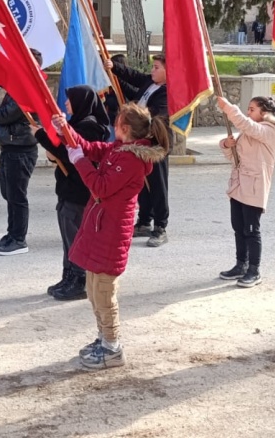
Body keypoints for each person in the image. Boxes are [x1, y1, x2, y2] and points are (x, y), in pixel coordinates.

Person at [59, 103, 169, 370]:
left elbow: (100, 187)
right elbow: (93, 148)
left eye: (116, 122)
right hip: (100, 227)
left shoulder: (131, 158)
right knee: (93, 290)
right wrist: (65, 130)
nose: (111, 126)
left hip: (111, 232)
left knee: (104, 294)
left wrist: (79, 161)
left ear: (125, 128)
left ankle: (112, 347)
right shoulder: (120, 148)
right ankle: (103, 338)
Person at [34, 86, 111, 300]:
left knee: (75, 236)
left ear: (82, 101)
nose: (66, 104)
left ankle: (79, 280)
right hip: (68, 188)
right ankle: (68, 275)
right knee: (68, 236)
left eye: (70, 100)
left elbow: (70, 153)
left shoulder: (90, 126)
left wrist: (41, 135)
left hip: (79, 191)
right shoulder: (78, 123)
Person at [215, 95, 275, 288]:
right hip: (239, 186)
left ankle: (254, 270)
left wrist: (229, 108)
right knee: (238, 227)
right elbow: (237, 158)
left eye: (252, 109)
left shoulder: (268, 131)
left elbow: (247, 125)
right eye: (248, 109)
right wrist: (226, 145)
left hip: (254, 188)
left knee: (251, 230)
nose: (248, 113)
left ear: (264, 113)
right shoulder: (250, 131)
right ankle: (240, 264)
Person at [0, 49, 43, 257]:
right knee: (9, 193)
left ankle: (19, 239)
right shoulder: (18, 85)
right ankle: (11, 233)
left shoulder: (29, 88)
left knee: (17, 195)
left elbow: (6, 115)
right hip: (10, 147)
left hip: (21, 149)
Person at [107, 54, 171, 247]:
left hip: (155, 144)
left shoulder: (168, 93)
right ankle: (144, 221)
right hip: (139, 142)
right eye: (153, 66)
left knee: (158, 185)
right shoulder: (150, 83)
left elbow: (153, 115)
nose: (153, 70)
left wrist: (131, 114)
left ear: (169, 72)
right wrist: (114, 69)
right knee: (141, 183)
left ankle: (160, 226)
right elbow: (133, 76)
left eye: (157, 67)